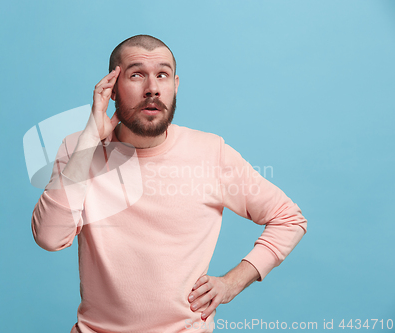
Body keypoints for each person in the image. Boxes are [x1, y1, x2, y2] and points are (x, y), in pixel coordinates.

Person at [31, 34, 307, 333]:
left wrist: (232, 283)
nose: (152, 89)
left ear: (175, 85)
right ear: (111, 89)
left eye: (162, 75)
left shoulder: (210, 153)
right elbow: (49, 238)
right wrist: (88, 141)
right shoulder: (78, 151)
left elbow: (288, 219)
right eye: (136, 75)